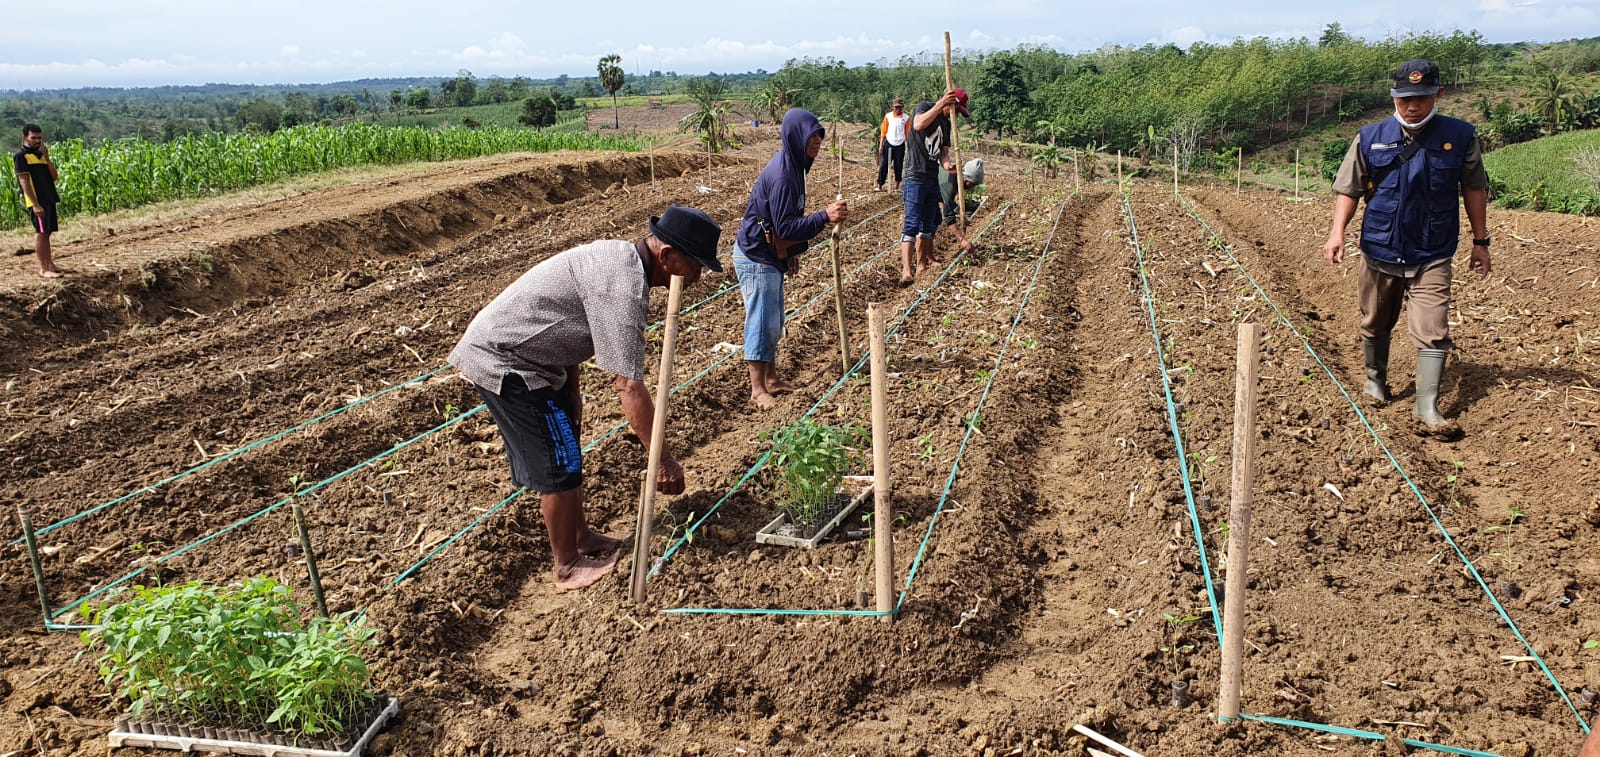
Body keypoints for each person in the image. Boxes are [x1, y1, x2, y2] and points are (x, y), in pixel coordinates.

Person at [448, 205, 724, 591]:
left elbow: (567, 325)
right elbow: (628, 386)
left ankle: (580, 537)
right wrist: (663, 461)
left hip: (539, 361)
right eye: (696, 265)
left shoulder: (625, 261)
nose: (697, 275)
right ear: (667, 256)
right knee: (558, 461)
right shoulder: (623, 288)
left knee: (568, 445)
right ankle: (566, 566)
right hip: (505, 360)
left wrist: (571, 393)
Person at [1323, 59, 1491, 431]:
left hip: (1432, 251)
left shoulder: (1460, 136)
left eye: (1422, 97)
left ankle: (1426, 408)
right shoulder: (1370, 136)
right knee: (1375, 321)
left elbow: (1474, 189)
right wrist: (1337, 232)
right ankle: (1375, 379)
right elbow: (1349, 189)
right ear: (1394, 98)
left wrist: (1481, 241)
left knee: (1433, 329)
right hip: (1381, 249)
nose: (1412, 105)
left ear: (1438, 95)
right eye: (1404, 99)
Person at [733, 108, 848, 409]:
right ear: (795, 136)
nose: (817, 143)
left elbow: (783, 222)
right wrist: (825, 216)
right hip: (757, 256)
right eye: (812, 138)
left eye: (820, 138)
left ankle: (770, 379)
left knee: (773, 320)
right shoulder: (784, 175)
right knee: (761, 320)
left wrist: (790, 253)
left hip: (771, 254)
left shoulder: (795, 166)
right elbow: (784, 226)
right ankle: (757, 389)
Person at [900, 89, 968, 284]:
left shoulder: (947, 126)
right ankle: (906, 270)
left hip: (931, 178)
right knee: (912, 223)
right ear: (949, 103)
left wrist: (949, 166)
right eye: (956, 110)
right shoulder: (925, 108)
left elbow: (943, 154)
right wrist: (939, 105)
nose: (956, 116)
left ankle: (921, 265)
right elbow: (918, 124)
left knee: (927, 225)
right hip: (915, 175)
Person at [13, 124, 63, 278]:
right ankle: (43, 269)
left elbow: (54, 177)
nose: (37, 141)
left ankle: (50, 264)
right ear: (25, 138)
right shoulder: (21, 156)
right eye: (33, 138)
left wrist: (47, 157)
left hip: (49, 197)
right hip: (37, 201)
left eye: (39, 138)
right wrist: (34, 204)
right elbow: (24, 182)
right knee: (41, 232)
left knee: (47, 232)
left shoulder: (41, 155)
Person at [938, 157, 984, 256]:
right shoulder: (950, 183)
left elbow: (945, 200)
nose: (973, 187)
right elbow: (948, 215)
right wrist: (962, 239)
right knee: (928, 226)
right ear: (966, 179)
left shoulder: (957, 178)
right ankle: (927, 260)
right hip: (921, 192)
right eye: (973, 184)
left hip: (935, 192)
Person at [875, 98, 910, 194]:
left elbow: (907, 133)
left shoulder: (906, 118)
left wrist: (909, 145)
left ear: (902, 107)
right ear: (893, 107)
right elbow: (883, 131)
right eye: (896, 107)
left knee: (898, 166)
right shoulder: (888, 116)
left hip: (900, 145)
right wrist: (881, 145)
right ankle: (880, 185)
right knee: (883, 166)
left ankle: (897, 187)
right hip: (889, 143)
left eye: (899, 107)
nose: (897, 109)